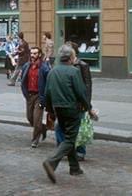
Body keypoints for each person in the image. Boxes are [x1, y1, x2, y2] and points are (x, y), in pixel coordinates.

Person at [42, 44, 97, 183]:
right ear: (71, 57)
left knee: (68, 136)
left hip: (58, 108)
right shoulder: (73, 71)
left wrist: (49, 111)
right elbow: (81, 93)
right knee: (70, 139)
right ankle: (51, 162)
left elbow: (47, 93)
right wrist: (89, 109)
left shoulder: (52, 71)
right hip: (72, 109)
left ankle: (74, 167)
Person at [61, 41, 93, 160]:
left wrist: (87, 104)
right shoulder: (63, 65)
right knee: (62, 127)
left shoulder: (82, 65)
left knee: (80, 127)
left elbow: (88, 85)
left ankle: (80, 151)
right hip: (66, 100)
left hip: (78, 102)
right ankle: (66, 149)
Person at [21, 47, 51, 148]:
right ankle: (43, 128)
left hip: (39, 95)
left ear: (39, 54)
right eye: (31, 53)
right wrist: (25, 93)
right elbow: (23, 80)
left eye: (35, 53)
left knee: (37, 118)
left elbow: (49, 82)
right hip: (29, 95)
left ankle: (35, 140)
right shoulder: (26, 66)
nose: (33, 56)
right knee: (30, 117)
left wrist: (46, 96)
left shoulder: (44, 67)